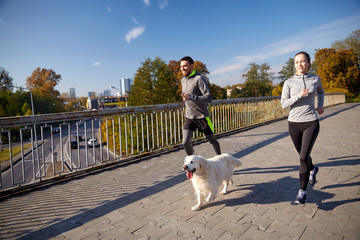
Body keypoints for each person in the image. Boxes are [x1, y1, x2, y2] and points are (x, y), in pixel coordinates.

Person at [281, 51, 324, 205]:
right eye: (297, 62)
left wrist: (320, 105)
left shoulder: (315, 79)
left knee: (302, 158)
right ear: (294, 65)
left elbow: (321, 91)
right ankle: (313, 169)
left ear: (308, 64)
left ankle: (302, 193)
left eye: (303, 61)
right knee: (303, 156)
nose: (300, 64)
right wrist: (299, 95)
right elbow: (284, 103)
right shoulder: (289, 82)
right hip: (293, 124)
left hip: (311, 122)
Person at [180, 56, 221, 156]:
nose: (182, 68)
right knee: (185, 142)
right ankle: (192, 163)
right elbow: (187, 96)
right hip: (189, 116)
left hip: (202, 117)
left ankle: (221, 160)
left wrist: (191, 97)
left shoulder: (199, 79)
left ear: (191, 66)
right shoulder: (183, 80)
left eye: (185, 66)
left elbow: (208, 98)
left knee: (212, 141)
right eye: (181, 66)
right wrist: (185, 100)